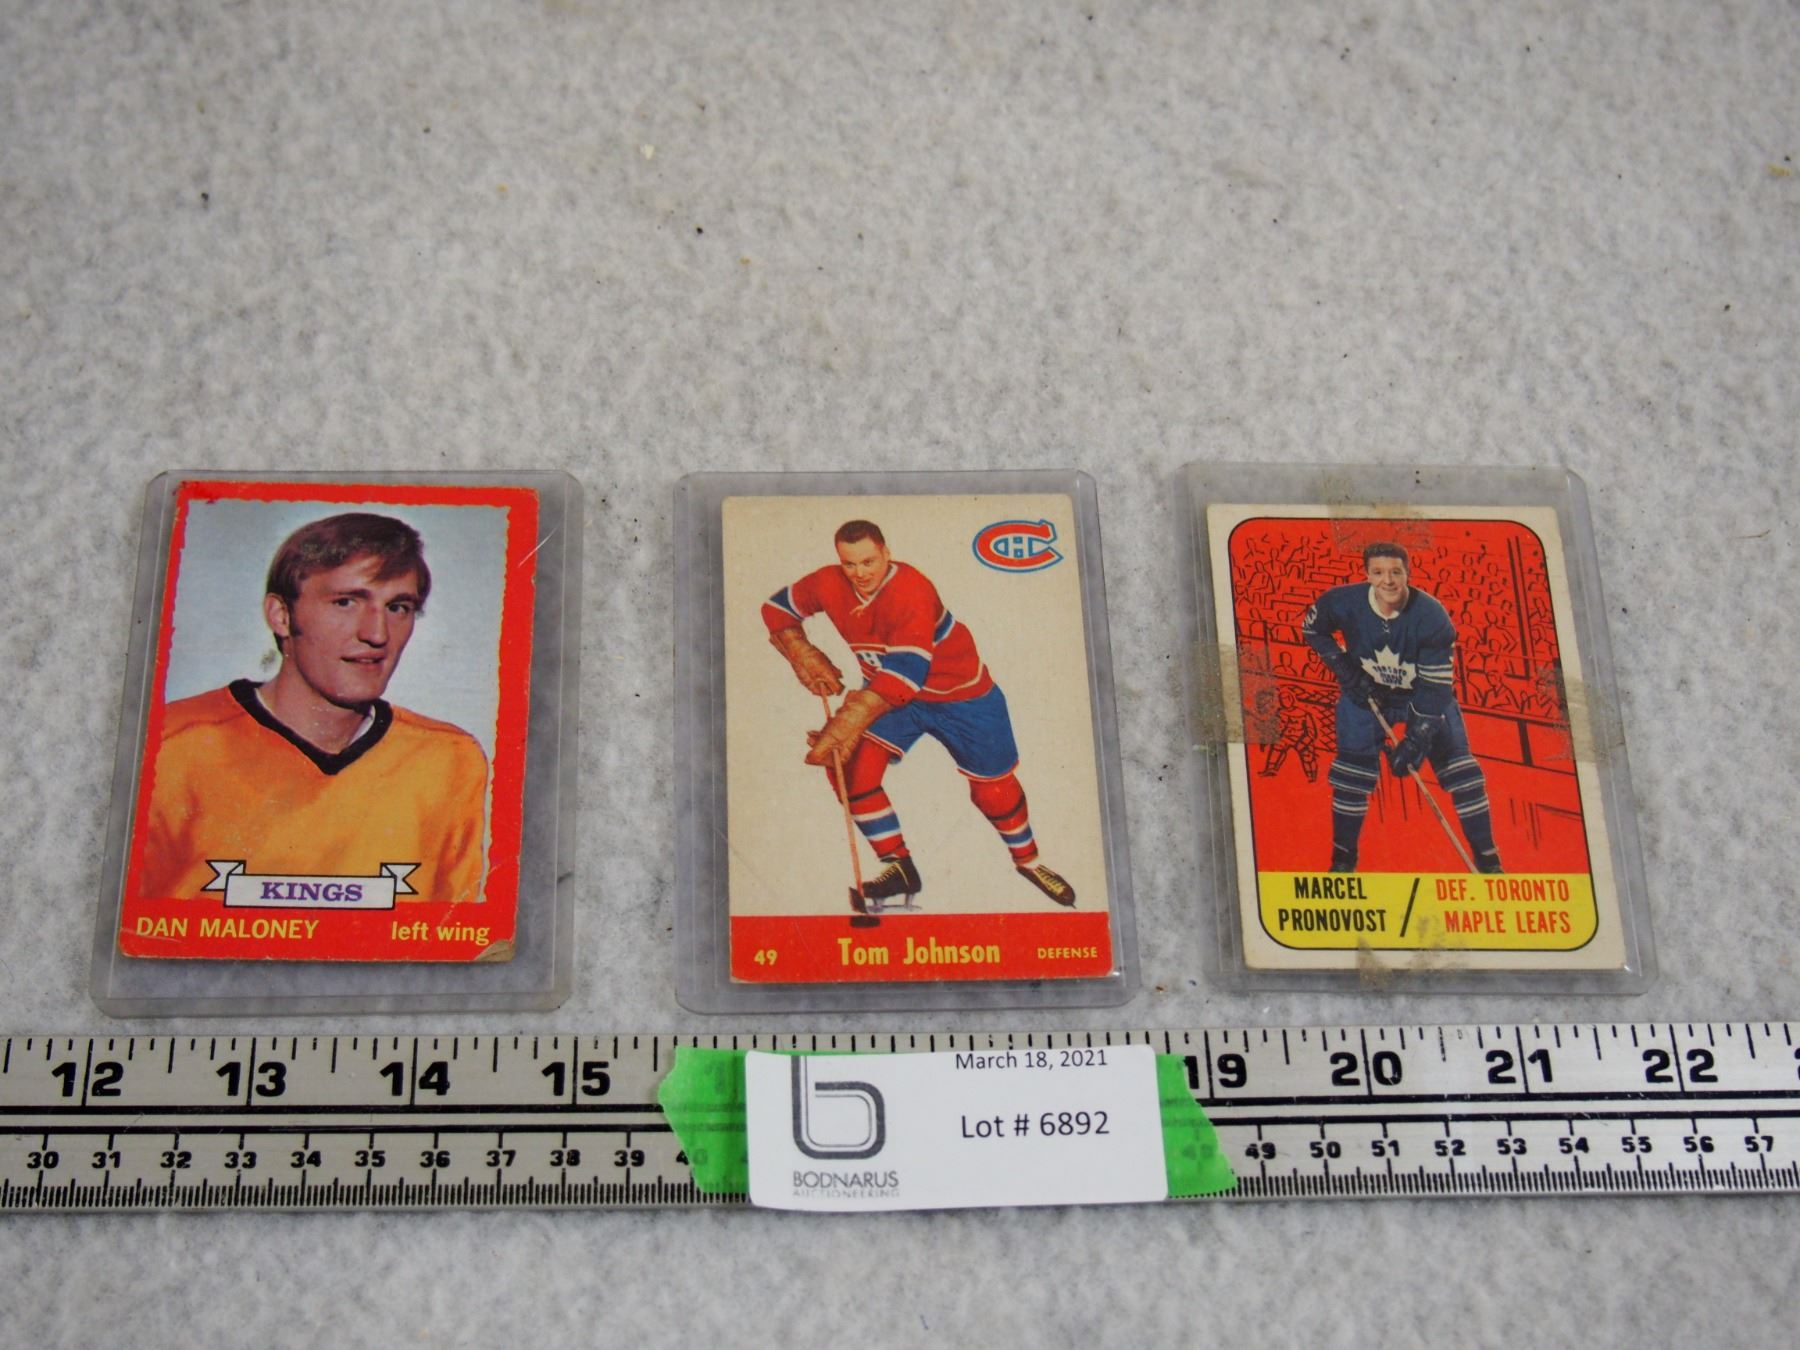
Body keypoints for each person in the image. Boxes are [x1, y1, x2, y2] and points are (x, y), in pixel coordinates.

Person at [137, 513, 489, 901]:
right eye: (346, 602)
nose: (376, 634)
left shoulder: (447, 759)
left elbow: (455, 932)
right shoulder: (169, 744)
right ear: (281, 616)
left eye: (398, 607)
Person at [761, 519, 1076, 908]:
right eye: (849, 564)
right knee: (849, 768)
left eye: (868, 561)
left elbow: (906, 673)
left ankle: (1029, 861)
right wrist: (801, 651)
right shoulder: (828, 583)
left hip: (960, 697)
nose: (860, 573)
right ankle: (899, 866)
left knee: (993, 792)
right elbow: (776, 608)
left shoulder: (911, 589)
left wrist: (847, 721)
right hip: (894, 698)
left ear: (886, 553)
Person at [1301, 541, 1503, 874]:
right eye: (1378, 572)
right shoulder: (1342, 601)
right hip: (1366, 695)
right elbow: (1313, 628)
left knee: (1464, 775)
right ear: (1367, 575)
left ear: (1408, 574)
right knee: (1351, 776)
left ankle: (1488, 861)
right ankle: (1343, 860)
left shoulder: (1431, 615)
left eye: (1396, 572)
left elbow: (1436, 686)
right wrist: (1344, 668)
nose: (1388, 580)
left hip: (1421, 697)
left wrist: (1417, 738)